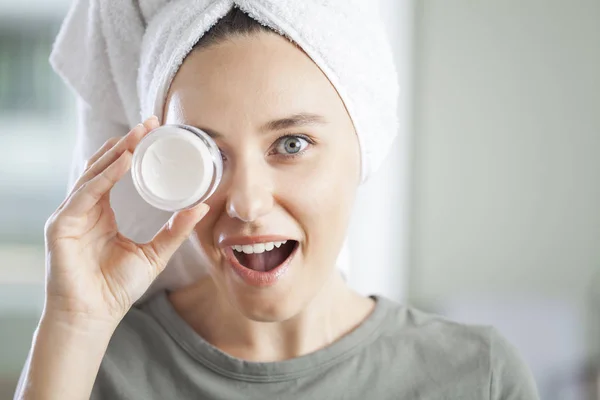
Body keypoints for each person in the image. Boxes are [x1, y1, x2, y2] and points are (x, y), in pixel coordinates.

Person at [15, 4, 539, 400]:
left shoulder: (477, 376)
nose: (245, 202)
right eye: (206, 155)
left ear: (365, 146)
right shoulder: (93, 365)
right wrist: (74, 323)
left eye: (291, 145)